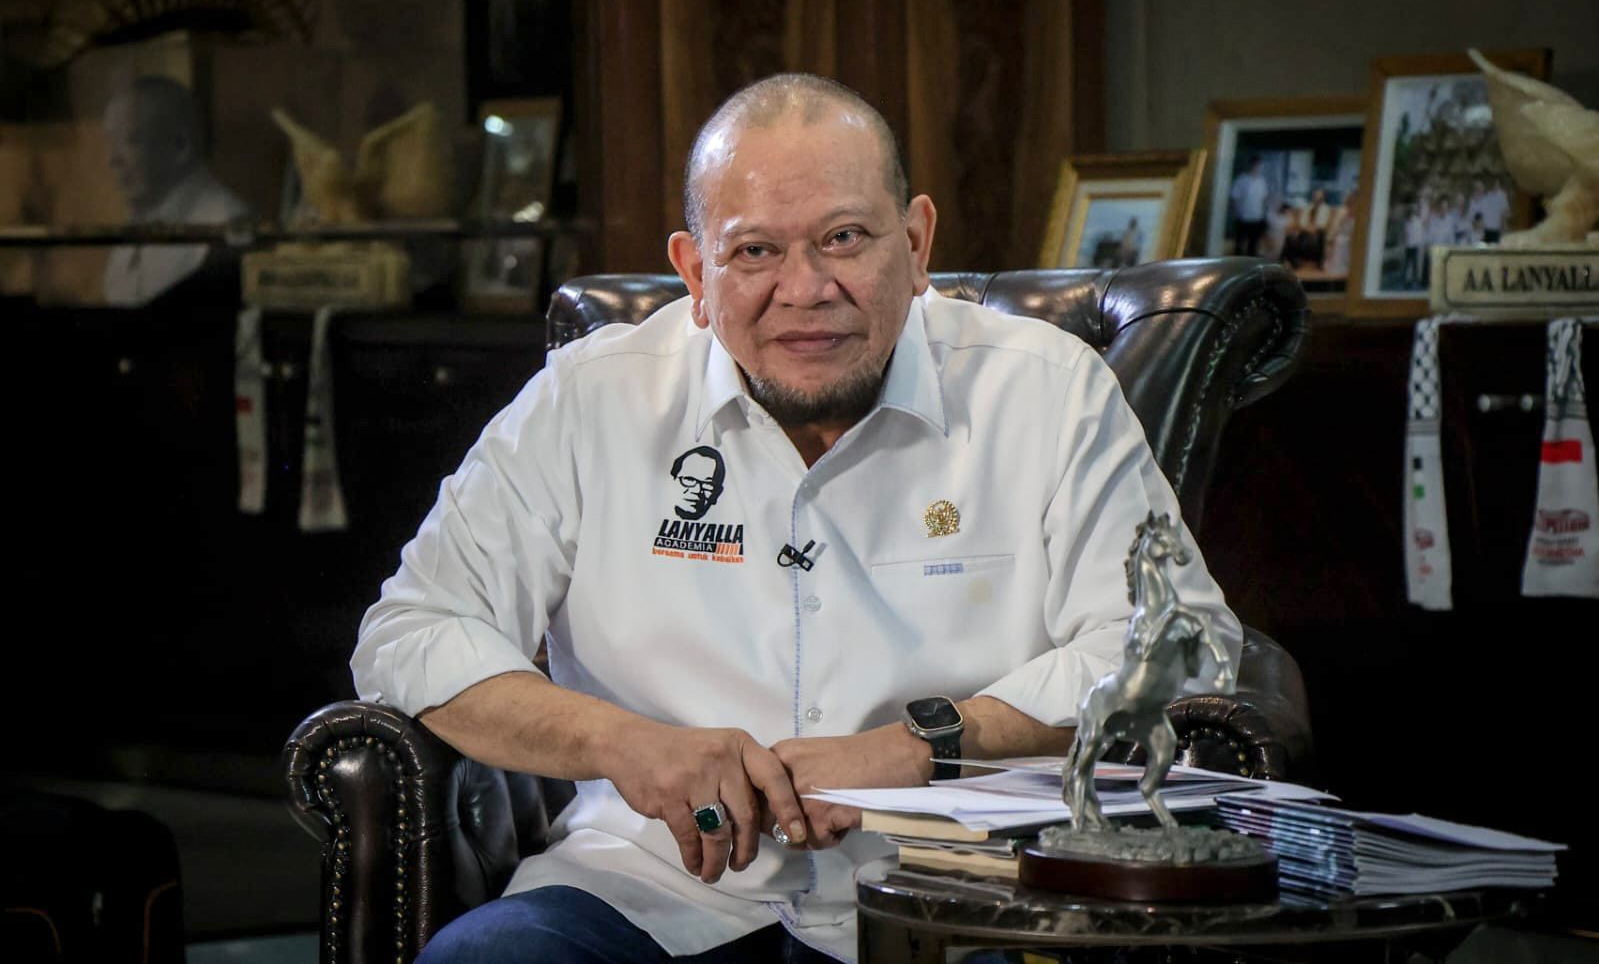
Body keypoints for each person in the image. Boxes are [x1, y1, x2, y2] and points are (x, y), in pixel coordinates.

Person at [352, 73, 1238, 963]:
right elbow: (413, 629)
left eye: (843, 238)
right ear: (695, 274)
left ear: (916, 243)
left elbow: (1178, 644)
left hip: (957, 896)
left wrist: (923, 745)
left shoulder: (1046, 390)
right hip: (652, 886)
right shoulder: (590, 398)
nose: (805, 289)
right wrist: (621, 743)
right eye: (754, 252)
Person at [101, 76, 250, 306]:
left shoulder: (227, 226)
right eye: (111, 141)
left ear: (180, 146)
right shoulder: (139, 222)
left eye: (131, 140)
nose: (112, 159)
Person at [1229, 156, 1269, 257]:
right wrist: (1237, 213)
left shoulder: (1261, 181)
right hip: (1243, 218)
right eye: (1257, 166)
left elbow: (1264, 198)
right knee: (1240, 244)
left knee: (1253, 245)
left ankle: (1251, 262)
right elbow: (1234, 197)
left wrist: (1264, 213)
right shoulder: (1242, 180)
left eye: (1260, 166)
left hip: (1257, 218)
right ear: (1252, 166)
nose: (1259, 168)